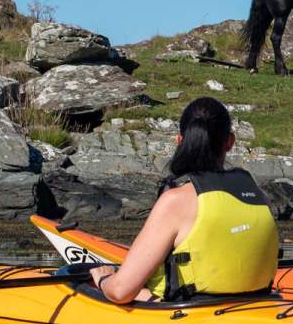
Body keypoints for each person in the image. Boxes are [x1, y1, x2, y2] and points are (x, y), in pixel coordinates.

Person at [89, 96, 280, 303]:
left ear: (180, 140)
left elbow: (120, 291)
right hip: (256, 306)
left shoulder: (175, 201)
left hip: (187, 315)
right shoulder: (259, 196)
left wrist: (104, 280)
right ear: (230, 142)